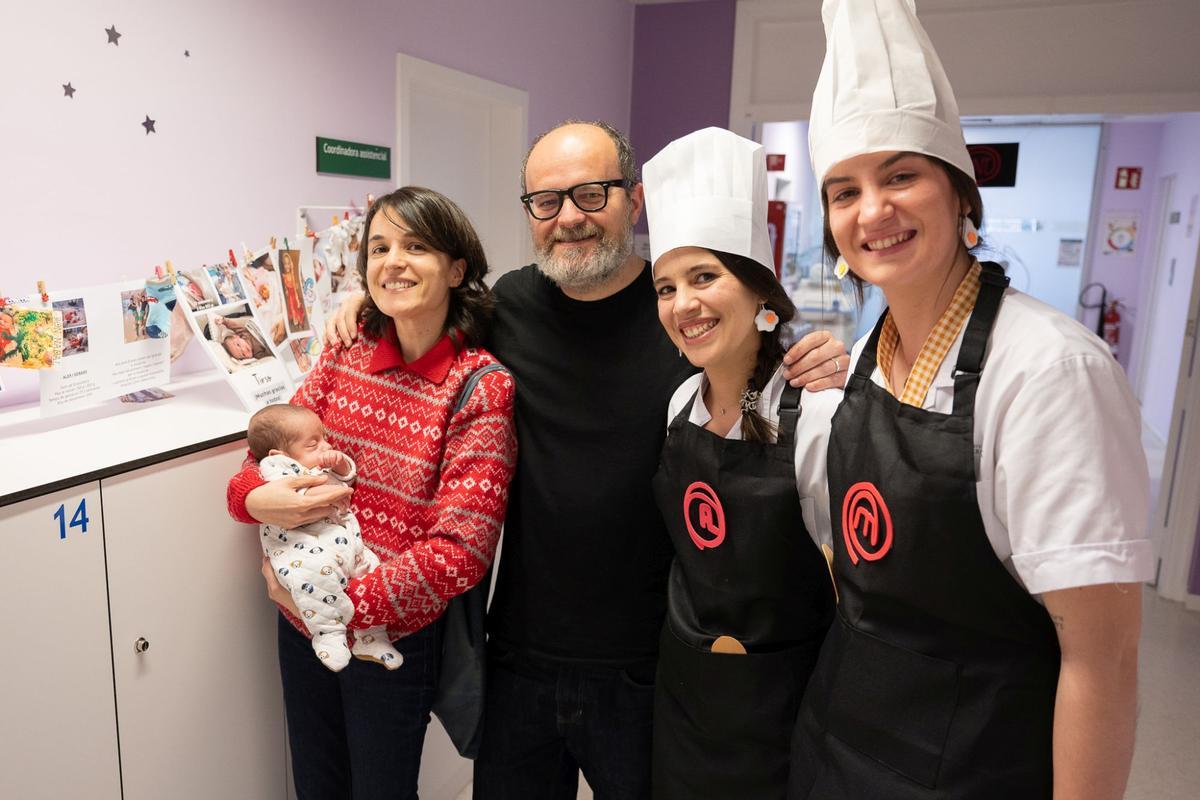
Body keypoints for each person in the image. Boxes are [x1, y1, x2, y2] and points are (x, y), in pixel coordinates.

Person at [324, 121, 848, 799]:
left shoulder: (682, 322)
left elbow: (756, 355)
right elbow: (419, 307)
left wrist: (817, 355)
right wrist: (361, 305)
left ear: (633, 200)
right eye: (546, 201)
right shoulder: (505, 306)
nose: (568, 218)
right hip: (519, 656)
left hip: (654, 664)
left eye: (591, 194)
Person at [788, 2, 1153, 798]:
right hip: (835, 751)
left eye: (901, 176)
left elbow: (1103, 656)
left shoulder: (1051, 373)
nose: (873, 211)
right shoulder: (859, 366)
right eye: (844, 191)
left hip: (975, 769)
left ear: (960, 195)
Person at [226, 186, 518, 799]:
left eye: (416, 246)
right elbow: (259, 461)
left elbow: (461, 549)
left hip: (392, 635)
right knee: (316, 785)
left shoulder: (480, 386)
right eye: (379, 247)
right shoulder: (346, 351)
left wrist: (337, 603)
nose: (393, 262)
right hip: (298, 621)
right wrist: (250, 498)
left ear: (457, 268)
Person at [644, 127, 840, 798]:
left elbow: (852, 585)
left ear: (760, 296)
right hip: (687, 696)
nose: (683, 305)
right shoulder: (680, 405)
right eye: (666, 288)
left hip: (782, 705)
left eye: (704, 277)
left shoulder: (812, 415)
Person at [248, 403, 403, 672]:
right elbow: (295, 499)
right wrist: (332, 491)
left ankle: (372, 637)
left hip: (344, 541)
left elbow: (348, 477)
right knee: (316, 578)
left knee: (372, 568)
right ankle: (329, 634)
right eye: (313, 444)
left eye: (324, 438)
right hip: (303, 546)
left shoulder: (316, 467)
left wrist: (340, 465)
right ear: (279, 455)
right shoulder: (277, 468)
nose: (325, 446)